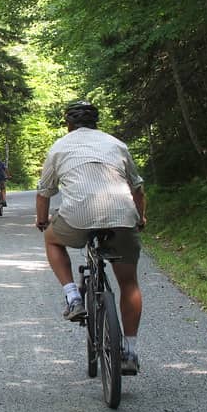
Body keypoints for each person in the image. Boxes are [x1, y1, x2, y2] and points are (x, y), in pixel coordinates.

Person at [35, 100, 147, 374]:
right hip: (122, 215)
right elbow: (138, 189)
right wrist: (140, 218)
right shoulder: (116, 144)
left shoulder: (59, 147)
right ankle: (130, 352)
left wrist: (42, 220)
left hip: (77, 216)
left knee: (52, 238)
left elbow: (44, 192)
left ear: (68, 124)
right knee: (129, 282)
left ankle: (73, 296)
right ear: (97, 123)